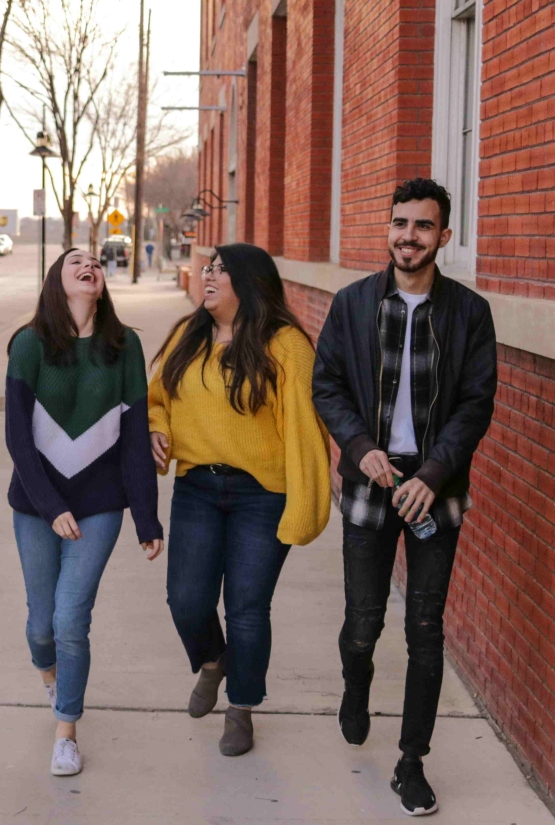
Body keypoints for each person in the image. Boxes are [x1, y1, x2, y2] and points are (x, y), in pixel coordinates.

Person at [313, 178, 497, 817]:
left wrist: (436, 473)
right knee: (362, 625)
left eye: (422, 226)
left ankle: (411, 762)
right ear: (387, 229)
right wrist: (359, 445)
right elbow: (327, 385)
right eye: (399, 224)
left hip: (433, 489)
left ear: (443, 236)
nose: (407, 236)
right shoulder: (354, 304)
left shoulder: (469, 313)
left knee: (425, 630)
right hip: (370, 482)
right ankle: (355, 685)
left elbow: (476, 404)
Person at [149, 243, 331, 757]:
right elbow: (156, 398)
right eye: (207, 267)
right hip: (197, 487)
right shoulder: (188, 335)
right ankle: (213, 662)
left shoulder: (286, 345)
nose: (208, 275)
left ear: (248, 283)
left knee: (247, 608)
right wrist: (155, 430)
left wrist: (305, 506)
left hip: (261, 494)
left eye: (220, 270)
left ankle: (242, 708)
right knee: (186, 600)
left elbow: (305, 430)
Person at [6, 248, 163, 777]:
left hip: (99, 505)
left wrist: (146, 517)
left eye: (95, 261)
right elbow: (18, 440)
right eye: (75, 260)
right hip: (35, 505)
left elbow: (137, 439)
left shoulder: (125, 347)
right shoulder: (29, 345)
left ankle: (66, 729)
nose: (88, 264)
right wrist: (50, 508)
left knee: (71, 618)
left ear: (102, 283)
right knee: (40, 625)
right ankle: (50, 674)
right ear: (57, 280)